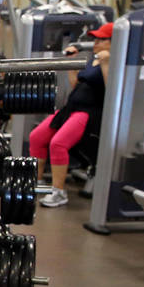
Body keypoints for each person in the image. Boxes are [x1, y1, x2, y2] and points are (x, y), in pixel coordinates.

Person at [29, 21, 112, 208]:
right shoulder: (93, 59)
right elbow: (77, 86)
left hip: (88, 112)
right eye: (95, 38)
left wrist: (107, 62)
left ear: (114, 42)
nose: (96, 42)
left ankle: (59, 192)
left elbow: (111, 91)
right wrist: (72, 68)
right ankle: (38, 183)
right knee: (36, 137)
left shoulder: (113, 62)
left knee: (58, 144)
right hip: (71, 108)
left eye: (102, 39)